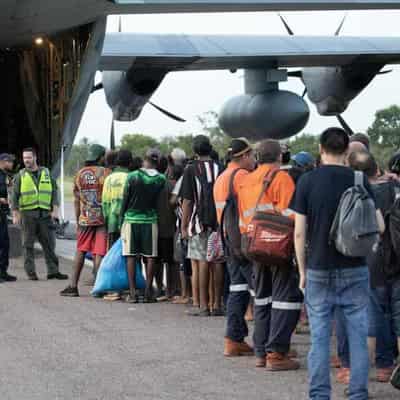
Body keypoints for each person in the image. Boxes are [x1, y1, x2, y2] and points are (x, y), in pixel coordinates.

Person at [293, 128, 384, 400]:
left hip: (319, 268)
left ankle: (319, 394)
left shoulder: (307, 181)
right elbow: (378, 224)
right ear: (347, 151)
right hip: (355, 267)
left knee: (320, 336)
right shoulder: (359, 179)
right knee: (357, 332)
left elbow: (299, 232)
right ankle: (358, 393)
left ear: (321, 149)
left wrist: (301, 270)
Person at [237, 139, 302, 370]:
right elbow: (292, 215)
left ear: (256, 157)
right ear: (279, 157)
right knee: (286, 299)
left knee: (262, 299)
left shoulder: (245, 181)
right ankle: (277, 353)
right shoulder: (280, 178)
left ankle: (261, 352)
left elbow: (243, 219)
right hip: (277, 247)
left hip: (253, 246)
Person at [349, 151, 400, 383]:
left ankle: (381, 366)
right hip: (397, 262)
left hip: (373, 261)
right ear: (378, 169)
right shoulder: (393, 188)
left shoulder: (363, 193)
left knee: (375, 315)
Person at [213, 138, 256, 356]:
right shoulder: (242, 177)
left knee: (237, 289)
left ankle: (234, 339)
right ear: (244, 156)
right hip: (244, 241)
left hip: (229, 240)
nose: (255, 160)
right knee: (261, 292)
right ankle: (269, 345)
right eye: (252, 156)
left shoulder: (221, 178)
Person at [11, 148, 67, 281]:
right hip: (27, 215)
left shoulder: (46, 173)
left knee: (49, 244)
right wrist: (15, 214)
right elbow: (14, 196)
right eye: (24, 158)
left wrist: (55, 209)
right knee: (27, 245)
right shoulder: (20, 176)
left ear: (35, 157)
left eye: (29, 157)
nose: (26, 160)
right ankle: (31, 273)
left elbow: (54, 192)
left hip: (45, 215)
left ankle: (53, 271)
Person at [60, 144, 108, 297]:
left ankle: (73, 286)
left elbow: (76, 201)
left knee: (81, 250)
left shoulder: (79, 174)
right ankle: (99, 288)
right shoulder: (106, 173)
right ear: (100, 157)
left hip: (85, 218)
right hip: (103, 218)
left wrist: (78, 220)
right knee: (99, 252)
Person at [120, 148, 166, 303]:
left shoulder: (132, 176)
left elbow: (124, 200)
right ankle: (148, 292)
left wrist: (121, 219)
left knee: (131, 256)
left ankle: (132, 293)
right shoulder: (161, 179)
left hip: (131, 220)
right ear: (157, 162)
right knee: (151, 256)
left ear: (144, 159)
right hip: (150, 221)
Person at [181, 135, 220, 316]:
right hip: (219, 222)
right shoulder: (221, 167)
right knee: (218, 261)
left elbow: (187, 201)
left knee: (202, 261)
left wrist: (183, 226)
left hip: (198, 222)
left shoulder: (191, 169)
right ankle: (217, 304)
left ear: (195, 151)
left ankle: (203, 306)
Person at [102, 149, 133, 248]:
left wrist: (107, 222)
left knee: (112, 253)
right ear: (130, 162)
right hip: (128, 223)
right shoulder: (132, 177)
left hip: (113, 223)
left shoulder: (109, 178)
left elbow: (105, 203)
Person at [0, 153, 17, 282]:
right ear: (4, 161)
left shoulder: (5, 176)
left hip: (3, 214)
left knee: (5, 243)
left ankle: (3, 272)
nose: (12, 164)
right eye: (10, 162)